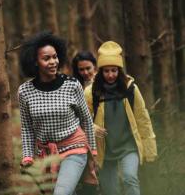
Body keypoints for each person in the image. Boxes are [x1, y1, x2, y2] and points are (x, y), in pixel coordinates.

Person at [18, 31, 97, 195]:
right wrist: (27, 156)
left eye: (55, 57)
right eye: (46, 58)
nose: (53, 62)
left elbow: (86, 119)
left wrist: (93, 150)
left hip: (74, 148)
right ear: (35, 62)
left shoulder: (72, 84)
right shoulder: (24, 91)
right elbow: (27, 128)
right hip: (46, 155)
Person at [84, 41, 157, 195]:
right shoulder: (91, 92)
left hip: (128, 146)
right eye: (106, 71)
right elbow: (80, 117)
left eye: (114, 70)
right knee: (111, 191)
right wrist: (91, 127)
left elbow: (143, 118)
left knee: (130, 178)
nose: (110, 75)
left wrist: (149, 148)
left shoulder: (130, 89)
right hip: (105, 148)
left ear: (120, 70)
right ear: (100, 70)